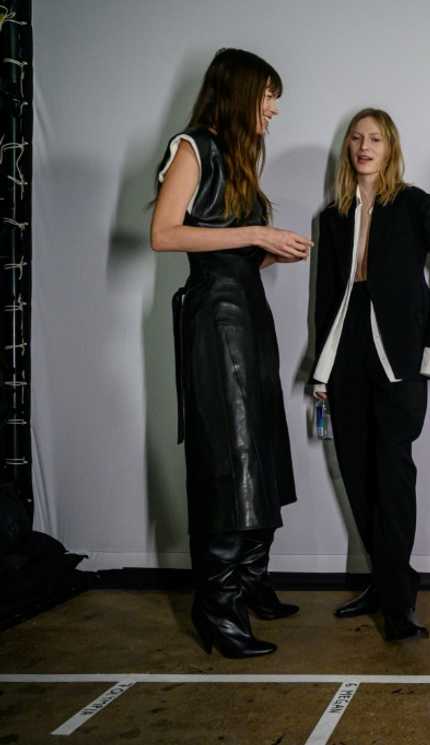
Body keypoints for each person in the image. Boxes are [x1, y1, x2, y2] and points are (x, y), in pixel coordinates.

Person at [150, 48, 308, 658]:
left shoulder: (237, 156)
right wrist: (257, 234)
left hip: (246, 316)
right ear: (241, 92)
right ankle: (217, 608)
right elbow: (164, 234)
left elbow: (227, 244)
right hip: (215, 319)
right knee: (230, 452)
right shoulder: (192, 147)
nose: (273, 108)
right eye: (268, 95)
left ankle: (246, 584)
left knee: (260, 443)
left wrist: (273, 250)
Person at [311, 108, 430, 641]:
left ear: (390, 147)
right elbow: (326, 300)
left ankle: (400, 602)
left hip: (399, 357)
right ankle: (383, 584)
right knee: (357, 476)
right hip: (347, 354)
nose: (364, 146)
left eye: (374, 138)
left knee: (393, 476)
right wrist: (322, 368)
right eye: (356, 138)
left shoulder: (414, 204)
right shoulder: (330, 217)